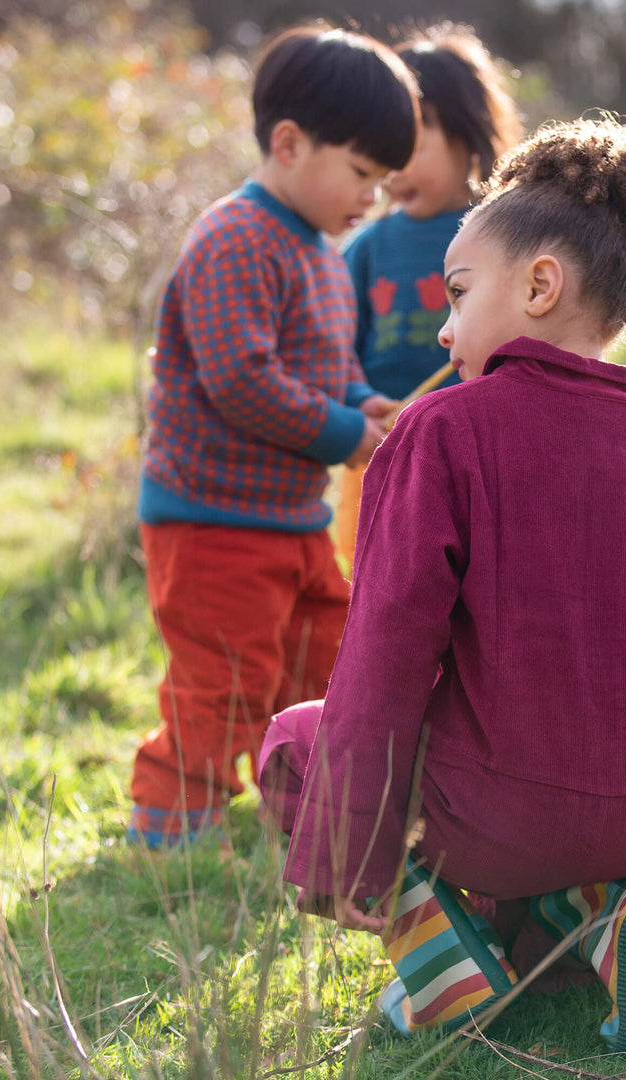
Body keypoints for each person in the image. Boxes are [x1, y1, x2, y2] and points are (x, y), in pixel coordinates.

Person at [259, 115, 626, 1056]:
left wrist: (348, 858)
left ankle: (439, 968)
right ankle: (622, 910)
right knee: (563, 877)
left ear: (540, 284)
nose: (443, 325)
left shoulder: (444, 433)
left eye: (460, 292)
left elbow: (385, 659)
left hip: (491, 821)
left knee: (290, 741)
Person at [125, 26, 420, 849]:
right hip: (211, 520)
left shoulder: (322, 252)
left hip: (291, 523)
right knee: (222, 676)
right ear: (289, 144)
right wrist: (344, 434)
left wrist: (368, 405)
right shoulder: (234, 239)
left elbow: (328, 368)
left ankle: (305, 802)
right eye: (362, 174)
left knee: (324, 662)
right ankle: (171, 822)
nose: (372, 199)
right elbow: (241, 381)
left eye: (384, 182)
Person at [333, 23, 522, 565]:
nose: (393, 167)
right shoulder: (365, 248)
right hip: (381, 457)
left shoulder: (505, 238)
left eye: (412, 140)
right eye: (382, 145)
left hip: (486, 457)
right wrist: (353, 410)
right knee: (370, 580)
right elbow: (334, 345)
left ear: (468, 134)